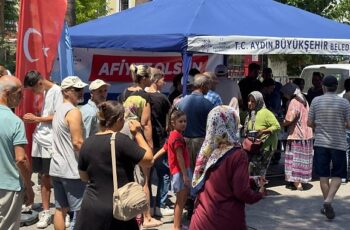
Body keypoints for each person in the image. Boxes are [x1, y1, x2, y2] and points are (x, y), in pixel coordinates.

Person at [75, 101, 153, 230]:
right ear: (119, 119)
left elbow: (84, 177)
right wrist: (138, 134)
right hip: (118, 207)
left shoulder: (87, 143)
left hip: (91, 208)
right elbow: (149, 160)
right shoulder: (121, 140)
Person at [190, 106, 264, 230]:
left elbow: (218, 180)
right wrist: (259, 194)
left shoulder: (206, 150)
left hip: (201, 220)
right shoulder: (237, 155)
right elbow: (241, 192)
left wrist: (251, 180)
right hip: (225, 220)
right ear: (232, 124)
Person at [120, 64, 161, 228]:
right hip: (138, 138)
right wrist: (149, 147)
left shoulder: (124, 92)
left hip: (125, 137)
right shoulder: (145, 96)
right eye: (149, 76)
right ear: (144, 78)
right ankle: (146, 217)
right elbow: (146, 124)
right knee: (144, 180)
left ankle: (130, 213)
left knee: (129, 177)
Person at [22, 70, 63, 228]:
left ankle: (62, 211)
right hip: (41, 139)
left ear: (39, 83)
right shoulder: (46, 92)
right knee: (43, 177)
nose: (33, 93)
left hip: (50, 141)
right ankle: (46, 212)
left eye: (33, 89)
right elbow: (49, 115)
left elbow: (59, 116)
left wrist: (36, 119)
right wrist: (38, 118)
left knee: (55, 177)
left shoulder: (57, 91)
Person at [308, 75, 350, 220]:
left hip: (320, 143)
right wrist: (340, 125)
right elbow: (349, 124)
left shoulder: (315, 101)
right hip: (338, 143)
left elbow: (309, 122)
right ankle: (328, 202)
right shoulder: (344, 103)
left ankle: (327, 203)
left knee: (323, 175)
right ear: (336, 87)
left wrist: (318, 126)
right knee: (338, 175)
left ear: (324, 87)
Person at [49, 76, 88, 230]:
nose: (81, 92)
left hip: (57, 168)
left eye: (81, 88)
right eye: (77, 89)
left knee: (60, 209)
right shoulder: (74, 112)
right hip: (72, 170)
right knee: (82, 212)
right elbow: (78, 142)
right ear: (65, 92)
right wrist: (92, 159)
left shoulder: (59, 109)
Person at [0, 76, 34, 230]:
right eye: (20, 93)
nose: (22, 97)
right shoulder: (14, 121)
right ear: (7, 93)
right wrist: (29, 186)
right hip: (8, 186)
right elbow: (20, 159)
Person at [153, 109, 191, 230]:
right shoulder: (178, 138)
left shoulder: (173, 135)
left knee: (180, 201)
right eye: (181, 121)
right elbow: (179, 157)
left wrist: (153, 158)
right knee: (181, 201)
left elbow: (164, 149)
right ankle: (176, 227)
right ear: (173, 123)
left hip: (177, 172)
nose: (184, 123)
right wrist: (185, 175)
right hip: (180, 172)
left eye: (185, 121)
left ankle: (177, 224)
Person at [145, 68, 173, 217]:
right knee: (164, 173)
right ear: (156, 80)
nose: (165, 82)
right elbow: (171, 117)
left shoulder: (142, 96)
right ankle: (160, 205)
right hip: (160, 141)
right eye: (163, 79)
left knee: (147, 174)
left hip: (144, 142)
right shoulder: (162, 98)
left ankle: (149, 206)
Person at [244, 91, 281, 192]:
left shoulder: (266, 113)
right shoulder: (252, 113)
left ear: (259, 102)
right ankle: (258, 188)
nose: (250, 103)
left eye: (253, 101)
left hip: (266, 146)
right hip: (255, 145)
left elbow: (277, 126)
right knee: (253, 166)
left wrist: (264, 131)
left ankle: (260, 189)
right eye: (249, 101)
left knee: (259, 167)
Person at [280, 83, 313, 191]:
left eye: (285, 94)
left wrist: (280, 123)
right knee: (302, 159)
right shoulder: (304, 100)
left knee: (295, 159)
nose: (284, 96)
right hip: (307, 134)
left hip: (297, 135)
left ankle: (296, 183)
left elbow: (289, 119)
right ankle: (300, 181)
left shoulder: (294, 102)